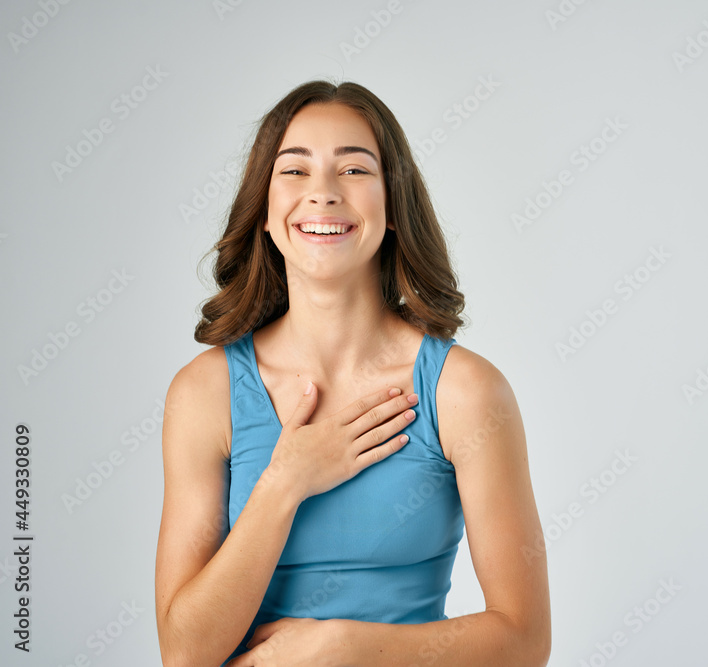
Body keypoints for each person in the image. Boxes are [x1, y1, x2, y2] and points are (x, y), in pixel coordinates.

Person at [154, 80, 551, 666]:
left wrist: (344, 648)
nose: (323, 193)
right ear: (263, 212)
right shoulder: (203, 393)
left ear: (393, 207)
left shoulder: (464, 391)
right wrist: (285, 480)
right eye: (294, 171)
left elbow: (524, 641)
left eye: (354, 170)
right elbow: (184, 654)